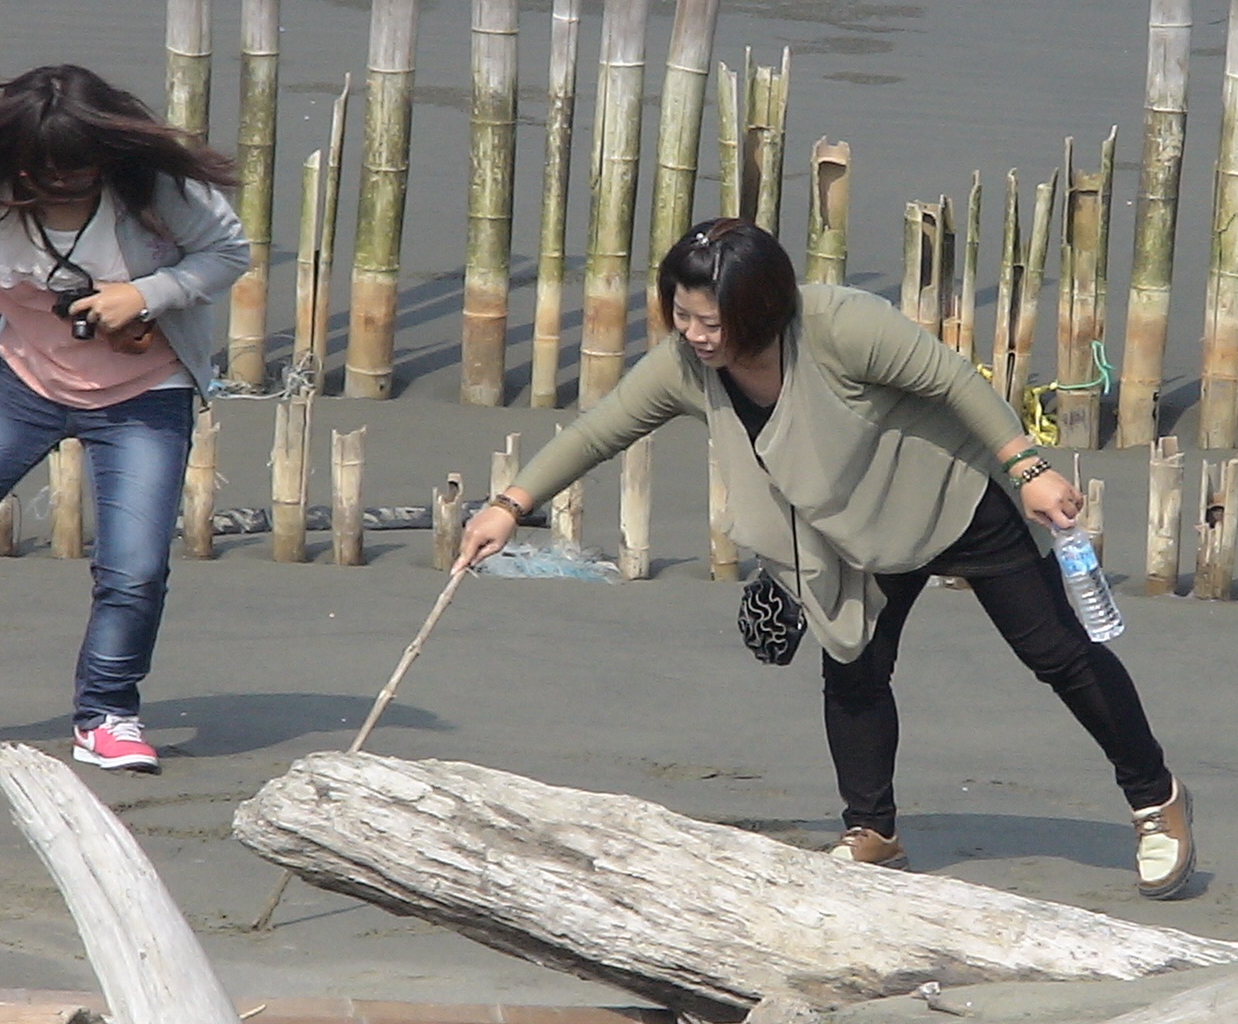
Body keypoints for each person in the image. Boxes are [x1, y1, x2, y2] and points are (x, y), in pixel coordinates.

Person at [458, 217, 1196, 899]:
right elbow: (600, 430)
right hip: (850, 532)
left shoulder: (839, 324)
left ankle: (1156, 800)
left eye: (711, 321)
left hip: (948, 495)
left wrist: (1028, 469)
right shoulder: (686, 365)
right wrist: (509, 506)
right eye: (681, 316)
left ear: (760, 308)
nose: (694, 335)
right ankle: (873, 831)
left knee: (1058, 654)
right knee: (854, 669)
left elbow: (953, 380)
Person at [0, 64, 248, 773]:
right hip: (19, 380)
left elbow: (227, 252)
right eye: (45, 172)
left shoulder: (158, 187)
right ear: (13, 159)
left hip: (145, 394)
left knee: (135, 567)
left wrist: (149, 294)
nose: (63, 183)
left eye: (80, 169)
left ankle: (107, 715)